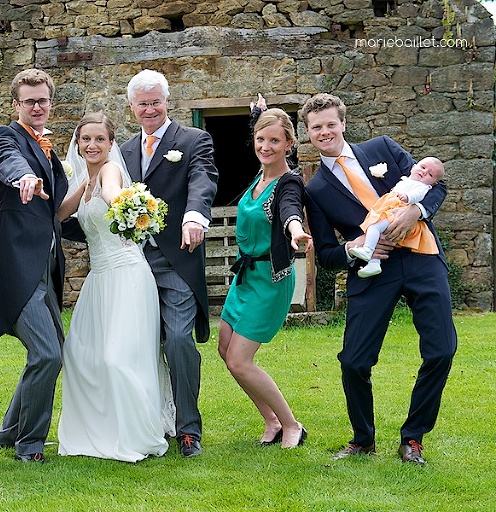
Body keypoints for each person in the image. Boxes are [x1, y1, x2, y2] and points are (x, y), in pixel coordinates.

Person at [302, 93, 457, 464]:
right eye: (316, 127)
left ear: (343, 123)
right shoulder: (316, 190)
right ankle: (362, 439)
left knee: (442, 349)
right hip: (373, 271)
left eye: (330, 124)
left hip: (422, 258)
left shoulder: (383, 148)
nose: (325, 132)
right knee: (354, 360)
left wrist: (417, 211)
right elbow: (326, 255)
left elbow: (437, 184)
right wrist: (355, 247)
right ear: (307, 133)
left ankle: (413, 438)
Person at [56, 113, 174, 462]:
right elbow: (60, 214)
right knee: (79, 357)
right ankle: (99, 429)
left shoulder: (108, 171)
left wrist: (119, 201)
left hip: (126, 275)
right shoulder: (85, 179)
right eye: (85, 139)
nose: (92, 145)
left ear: (110, 144)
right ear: (78, 143)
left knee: (117, 357)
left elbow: (111, 192)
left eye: (99, 140)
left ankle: (135, 434)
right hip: (99, 280)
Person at [120, 69, 219, 457]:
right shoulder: (123, 150)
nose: (149, 109)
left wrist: (195, 216)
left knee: (178, 340)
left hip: (175, 259)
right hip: (131, 262)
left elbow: (203, 181)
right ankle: (140, 423)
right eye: (142, 103)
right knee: (134, 346)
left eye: (155, 102)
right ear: (132, 107)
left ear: (167, 101)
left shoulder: (193, 140)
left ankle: (188, 429)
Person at [0, 68, 69, 463]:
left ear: (50, 102)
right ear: (16, 104)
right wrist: (25, 178)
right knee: (48, 354)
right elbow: (8, 164)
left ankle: (9, 431)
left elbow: (57, 213)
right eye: (29, 101)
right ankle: (29, 446)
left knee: (54, 350)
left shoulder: (49, 149)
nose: (36, 107)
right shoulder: (5, 137)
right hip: (14, 264)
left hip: (44, 267)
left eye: (42, 100)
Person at [217, 100, 312, 449]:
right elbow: (262, 128)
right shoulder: (261, 173)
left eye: (274, 141)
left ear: (290, 143)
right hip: (245, 278)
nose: (265, 147)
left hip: (270, 282)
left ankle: (291, 425)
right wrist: (259, 113)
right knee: (224, 349)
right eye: (260, 139)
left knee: (240, 360)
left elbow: (289, 208)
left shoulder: (289, 182)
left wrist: (295, 229)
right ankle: (270, 421)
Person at [348, 157, 444, 277]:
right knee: (380, 240)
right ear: (413, 167)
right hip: (389, 208)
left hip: (398, 212)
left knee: (374, 227)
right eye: (423, 167)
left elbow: (418, 195)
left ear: (433, 183)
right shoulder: (406, 180)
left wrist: (408, 197)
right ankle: (374, 263)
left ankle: (367, 250)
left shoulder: (422, 186)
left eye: (430, 174)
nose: (424, 172)